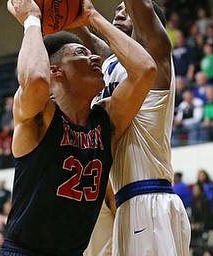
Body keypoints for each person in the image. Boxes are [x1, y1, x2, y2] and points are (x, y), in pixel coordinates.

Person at [0, 0, 156, 255]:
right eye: (80, 53)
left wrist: (92, 17)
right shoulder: (39, 117)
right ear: (56, 72)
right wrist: (31, 19)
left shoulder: (106, 120)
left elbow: (146, 69)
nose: (95, 56)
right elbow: (37, 79)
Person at [71, 1, 191, 255]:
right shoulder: (112, 66)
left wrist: (92, 17)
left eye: (128, 9)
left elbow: (143, 4)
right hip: (127, 203)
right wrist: (80, 24)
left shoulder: (156, 58)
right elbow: (100, 47)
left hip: (150, 200)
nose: (120, 11)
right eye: (118, 8)